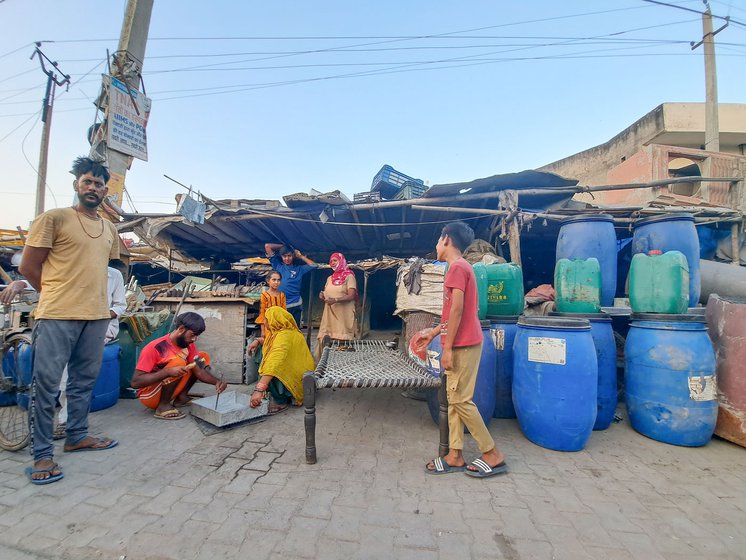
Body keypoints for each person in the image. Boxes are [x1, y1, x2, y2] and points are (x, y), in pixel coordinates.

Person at [19, 156, 120, 485]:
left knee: (82, 382)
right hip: (57, 314)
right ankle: (42, 453)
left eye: (99, 184)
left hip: (95, 316)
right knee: (46, 386)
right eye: (88, 181)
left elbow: (106, 269)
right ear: (77, 184)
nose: (94, 188)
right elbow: (29, 268)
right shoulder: (54, 218)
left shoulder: (108, 228)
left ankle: (77, 435)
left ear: (106, 190)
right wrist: (54, 295)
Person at [413, 222, 508, 478]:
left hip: (463, 345)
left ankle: (492, 453)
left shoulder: (457, 267)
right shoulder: (460, 268)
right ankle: (455, 454)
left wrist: (448, 348)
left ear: (446, 239)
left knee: (461, 400)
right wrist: (433, 333)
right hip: (463, 342)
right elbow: (453, 311)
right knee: (454, 399)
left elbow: (457, 310)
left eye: (437, 240)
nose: (436, 245)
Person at [55, 261, 127, 439]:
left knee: (79, 375)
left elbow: (120, 305)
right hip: (72, 323)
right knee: (65, 374)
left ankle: (69, 423)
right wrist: (20, 283)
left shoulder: (114, 275)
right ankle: (69, 421)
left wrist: (99, 314)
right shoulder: (72, 267)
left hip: (101, 327)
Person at [131, 312, 227, 420]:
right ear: (181, 329)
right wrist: (166, 372)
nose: (194, 339)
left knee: (200, 358)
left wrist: (217, 382)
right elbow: (135, 382)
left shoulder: (189, 345)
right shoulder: (154, 347)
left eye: (197, 336)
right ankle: (163, 407)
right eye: (192, 335)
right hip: (150, 395)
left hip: (167, 387)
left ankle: (181, 397)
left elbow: (199, 371)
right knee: (179, 362)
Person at [249, 307, 315, 415]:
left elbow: (275, 362)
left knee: (270, 364)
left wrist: (259, 389)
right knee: (262, 350)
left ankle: (281, 400)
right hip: (303, 376)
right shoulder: (285, 331)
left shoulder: (284, 337)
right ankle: (273, 391)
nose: (264, 322)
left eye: (266, 319)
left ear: (274, 320)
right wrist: (256, 341)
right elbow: (268, 341)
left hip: (297, 378)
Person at [316, 252, 357, 358]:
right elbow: (326, 293)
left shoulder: (349, 276)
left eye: (335, 260)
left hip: (343, 315)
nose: (333, 263)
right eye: (331, 261)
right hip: (329, 314)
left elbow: (351, 295)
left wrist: (335, 300)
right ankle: (321, 366)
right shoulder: (330, 278)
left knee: (342, 341)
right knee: (325, 337)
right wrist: (322, 295)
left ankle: (341, 368)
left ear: (341, 261)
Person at [264, 242, 316, 327]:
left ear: (293, 256)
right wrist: (286, 246)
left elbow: (314, 265)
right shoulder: (278, 266)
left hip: (295, 304)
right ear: (281, 257)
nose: (287, 258)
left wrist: (301, 256)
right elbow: (267, 246)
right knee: (281, 330)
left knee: (295, 329)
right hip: (280, 305)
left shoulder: (299, 269)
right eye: (284, 256)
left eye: (289, 256)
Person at [247, 270, 286, 356]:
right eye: (274, 280)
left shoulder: (282, 295)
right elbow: (263, 313)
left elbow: (284, 312)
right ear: (268, 281)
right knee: (268, 349)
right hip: (268, 327)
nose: (276, 282)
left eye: (278, 280)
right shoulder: (264, 295)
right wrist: (263, 331)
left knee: (279, 350)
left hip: (280, 326)